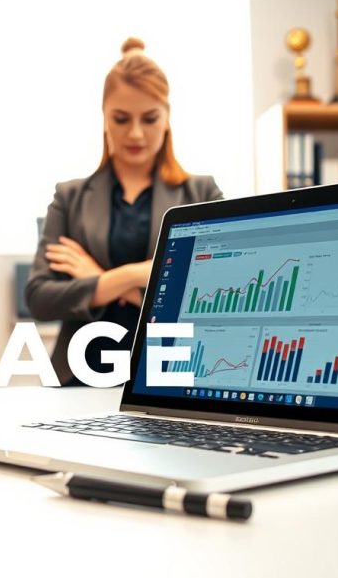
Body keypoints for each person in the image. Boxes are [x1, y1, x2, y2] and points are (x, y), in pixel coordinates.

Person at [25, 37, 224, 387]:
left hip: (171, 378)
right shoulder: (69, 198)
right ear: (104, 118)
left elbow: (214, 303)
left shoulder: (202, 194)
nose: (135, 133)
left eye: (149, 119)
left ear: (167, 118)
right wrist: (138, 275)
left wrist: (98, 278)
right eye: (121, 119)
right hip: (80, 377)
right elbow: (40, 298)